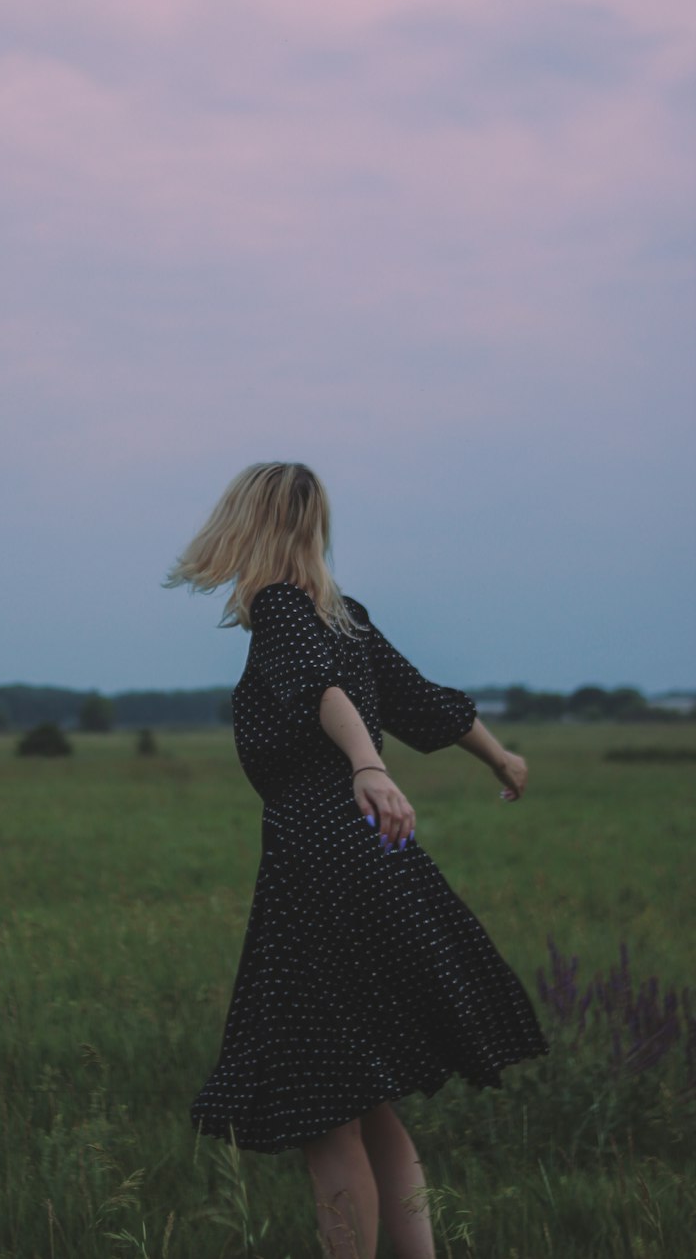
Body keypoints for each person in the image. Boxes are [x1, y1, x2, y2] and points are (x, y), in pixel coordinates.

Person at [164, 462, 549, 1259]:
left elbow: (321, 692)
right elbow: (424, 702)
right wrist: (499, 755)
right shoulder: (343, 617)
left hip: (321, 868)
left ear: (244, 523)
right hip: (372, 863)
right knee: (369, 1105)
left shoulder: (279, 609)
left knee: (325, 1111)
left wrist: (368, 767)